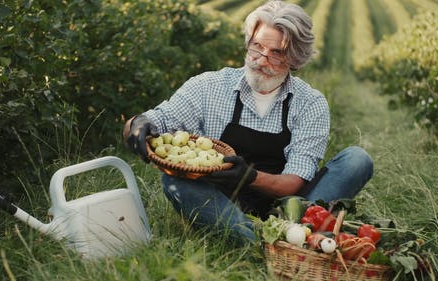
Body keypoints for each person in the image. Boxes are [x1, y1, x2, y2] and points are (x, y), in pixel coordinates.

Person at [122, 0, 373, 242]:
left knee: (357, 160)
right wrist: (137, 125)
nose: (262, 60)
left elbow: (295, 183)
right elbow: (158, 119)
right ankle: (264, 241)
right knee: (175, 182)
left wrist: (248, 177)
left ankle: (287, 231)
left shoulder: (309, 103)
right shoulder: (209, 86)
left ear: (295, 59)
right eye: (257, 47)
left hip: (289, 207)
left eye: (276, 53)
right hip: (223, 202)